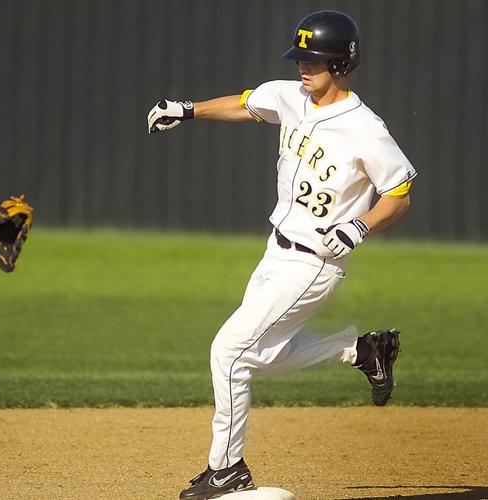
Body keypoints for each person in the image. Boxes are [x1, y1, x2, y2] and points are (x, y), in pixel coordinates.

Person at [147, 10, 416, 500]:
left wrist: (361, 225)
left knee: (228, 351)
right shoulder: (290, 96)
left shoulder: (364, 128)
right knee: (260, 356)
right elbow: (247, 104)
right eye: (301, 57)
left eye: (314, 59)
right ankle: (361, 350)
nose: (303, 67)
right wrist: (188, 109)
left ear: (341, 63)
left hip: (315, 262)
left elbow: (399, 192)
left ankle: (226, 470)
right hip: (276, 250)